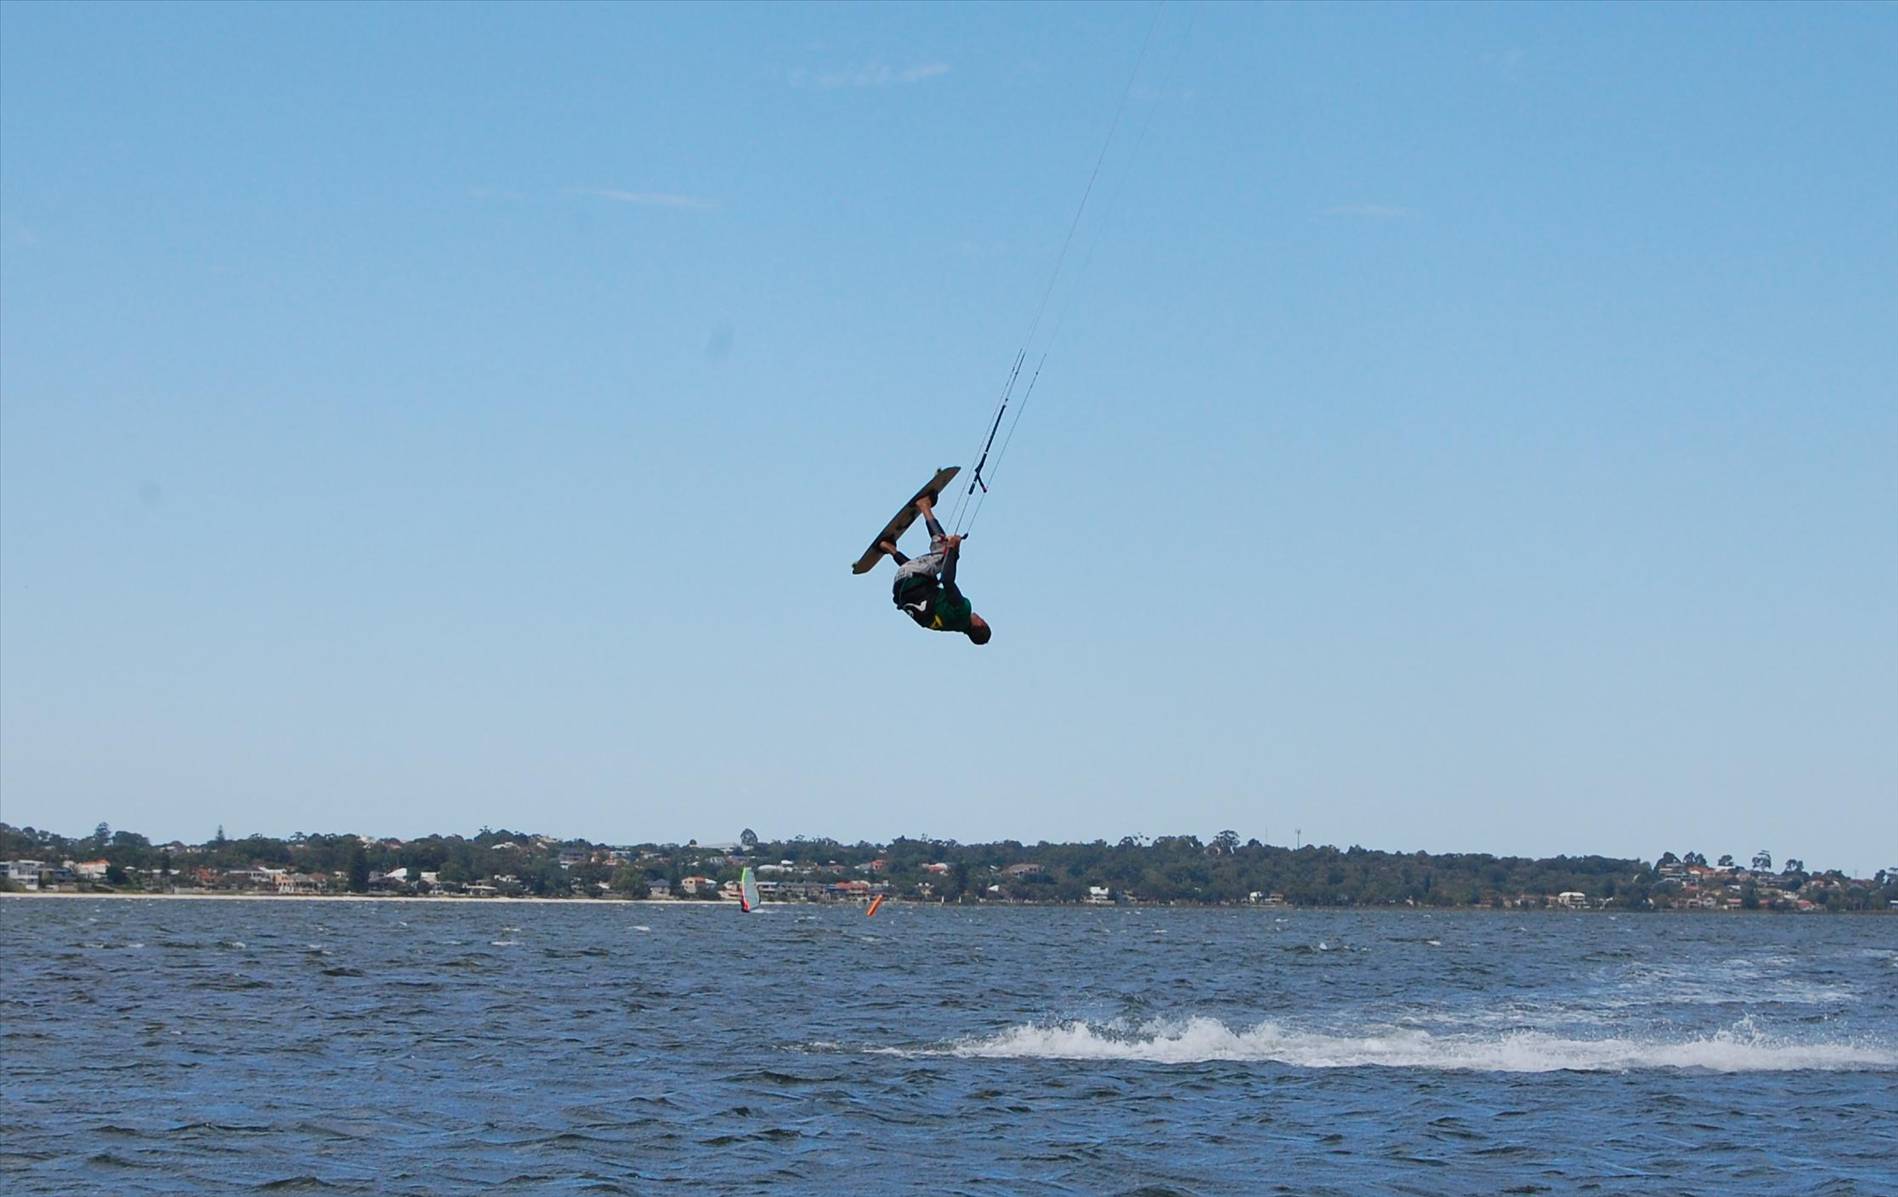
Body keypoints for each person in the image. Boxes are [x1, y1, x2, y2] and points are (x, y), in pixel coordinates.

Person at [876, 494, 991, 645]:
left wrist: (952, 550)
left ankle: (924, 505)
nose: (980, 617)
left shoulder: (963, 611)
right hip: (900, 586)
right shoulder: (949, 625)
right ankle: (888, 548)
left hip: (910, 579)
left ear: (980, 624)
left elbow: (947, 580)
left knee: (942, 552)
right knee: (930, 577)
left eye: (982, 620)